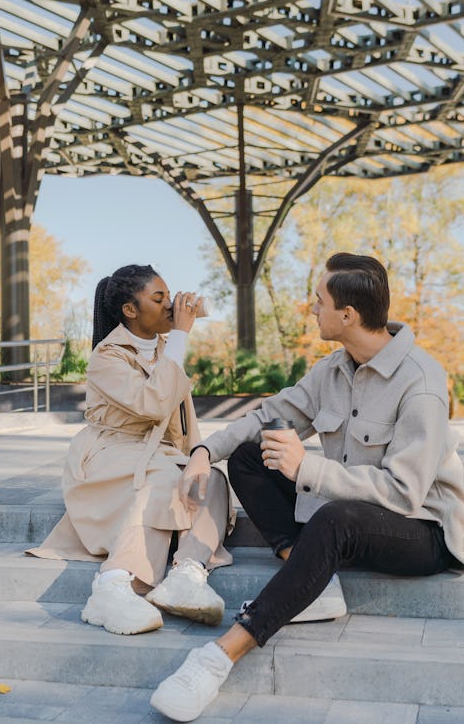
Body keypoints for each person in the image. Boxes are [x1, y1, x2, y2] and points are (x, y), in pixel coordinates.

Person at [150, 252, 464, 722]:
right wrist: (201, 452)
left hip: (425, 529)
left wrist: (307, 471)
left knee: (334, 517)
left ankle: (217, 658)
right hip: (353, 512)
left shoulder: (420, 381)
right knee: (250, 456)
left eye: (318, 300)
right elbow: (266, 415)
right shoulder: (333, 369)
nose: (311, 308)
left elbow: (404, 493)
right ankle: (310, 573)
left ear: (348, 314)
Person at [27, 264, 234, 635]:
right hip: (110, 452)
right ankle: (114, 584)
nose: (170, 305)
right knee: (162, 480)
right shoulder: (106, 357)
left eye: (169, 296)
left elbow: (182, 424)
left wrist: (198, 458)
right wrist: (182, 336)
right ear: (129, 309)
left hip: (160, 454)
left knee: (211, 479)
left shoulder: (164, 349)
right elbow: (153, 404)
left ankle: (187, 574)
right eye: (159, 298)